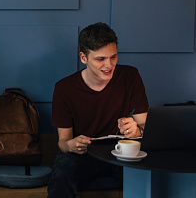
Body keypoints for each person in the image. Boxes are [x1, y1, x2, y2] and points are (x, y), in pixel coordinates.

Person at [47, 22, 149, 198]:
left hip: (121, 151)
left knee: (149, 172)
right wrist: (70, 145)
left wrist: (136, 130)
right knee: (64, 167)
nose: (108, 65)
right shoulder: (64, 88)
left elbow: (144, 127)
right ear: (83, 58)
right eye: (100, 59)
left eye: (113, 57)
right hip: (84, 154)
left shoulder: (130, 76)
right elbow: (63, 142)